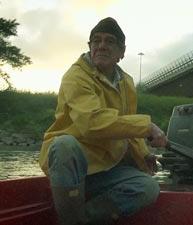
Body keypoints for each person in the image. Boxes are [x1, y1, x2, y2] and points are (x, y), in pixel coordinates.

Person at [39, 17, 168, 225]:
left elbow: (125, 126)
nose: (101, 46)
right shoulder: (75, 76)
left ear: (122, 52)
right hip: (72, 169)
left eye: (110, 41)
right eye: (96, 41)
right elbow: (92, 122)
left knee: (148, 188)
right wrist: (147, 127)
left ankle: (81, 219)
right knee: (64, 145)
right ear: (89, 47)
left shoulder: (127, 82)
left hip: (106, 168)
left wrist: (144, 153)